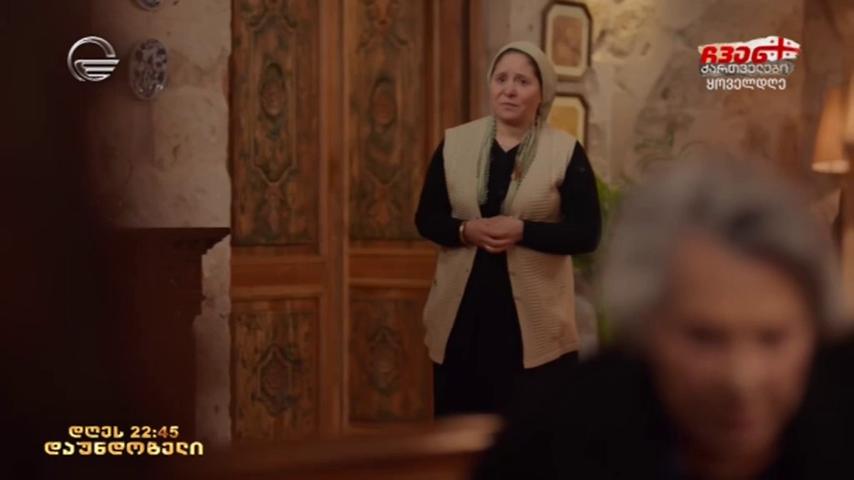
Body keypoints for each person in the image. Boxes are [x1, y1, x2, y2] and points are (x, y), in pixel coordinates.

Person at [473, 158, 846, 479]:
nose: (741, 380)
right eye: (705, 338)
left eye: (772, 338)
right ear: (645, 327)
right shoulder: (550, 440)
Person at [414, 41, 601, 417]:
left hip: (535, 330)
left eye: (522, 81)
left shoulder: (565, 151)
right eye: (501, 79)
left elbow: (586, 233)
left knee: (529, 436)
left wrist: (522, 230)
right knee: (459, 433)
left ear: (542, 93)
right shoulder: (455, 143)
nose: (509, 90)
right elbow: (427, 218)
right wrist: (466, 230)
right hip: (462, 323)